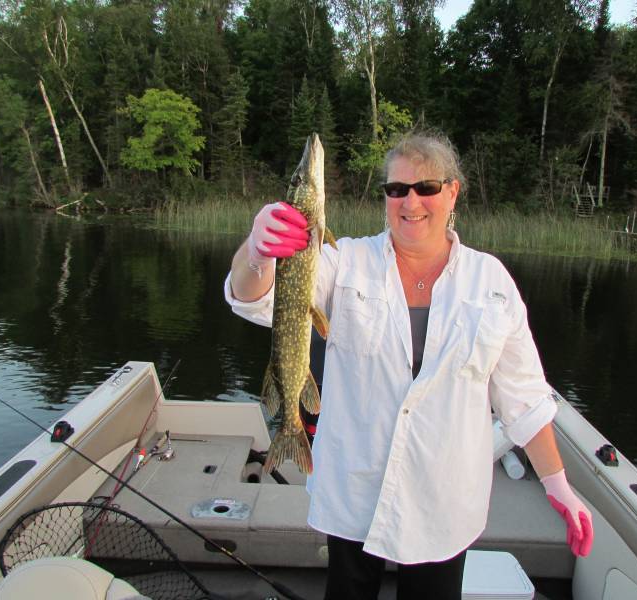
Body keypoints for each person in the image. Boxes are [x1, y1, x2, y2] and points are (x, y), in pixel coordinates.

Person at [224, 130, 594, 600]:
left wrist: (559, 487)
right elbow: (254, 300)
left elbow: (524, 398)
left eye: (426, 187)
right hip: (354, 486)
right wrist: (257, 252)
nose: (410, 201)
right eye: (397, 189)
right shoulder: (344, 261)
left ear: (452, 192)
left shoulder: (491, 281)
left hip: (444, 497)